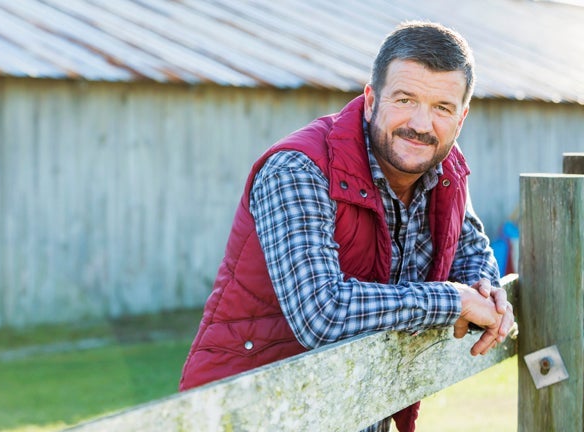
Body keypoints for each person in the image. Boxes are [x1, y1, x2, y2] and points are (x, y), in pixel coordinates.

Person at [178, 21, 516, 432]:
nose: (422, 124)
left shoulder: (443, 167)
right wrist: (454, 301)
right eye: (405, 99)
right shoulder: (297, 169)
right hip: (250, 414)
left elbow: (471, 250)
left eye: (442, 108)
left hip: (353, 408)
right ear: (371, 100)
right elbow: (322, 313)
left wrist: (486, 293)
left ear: (460, 118)